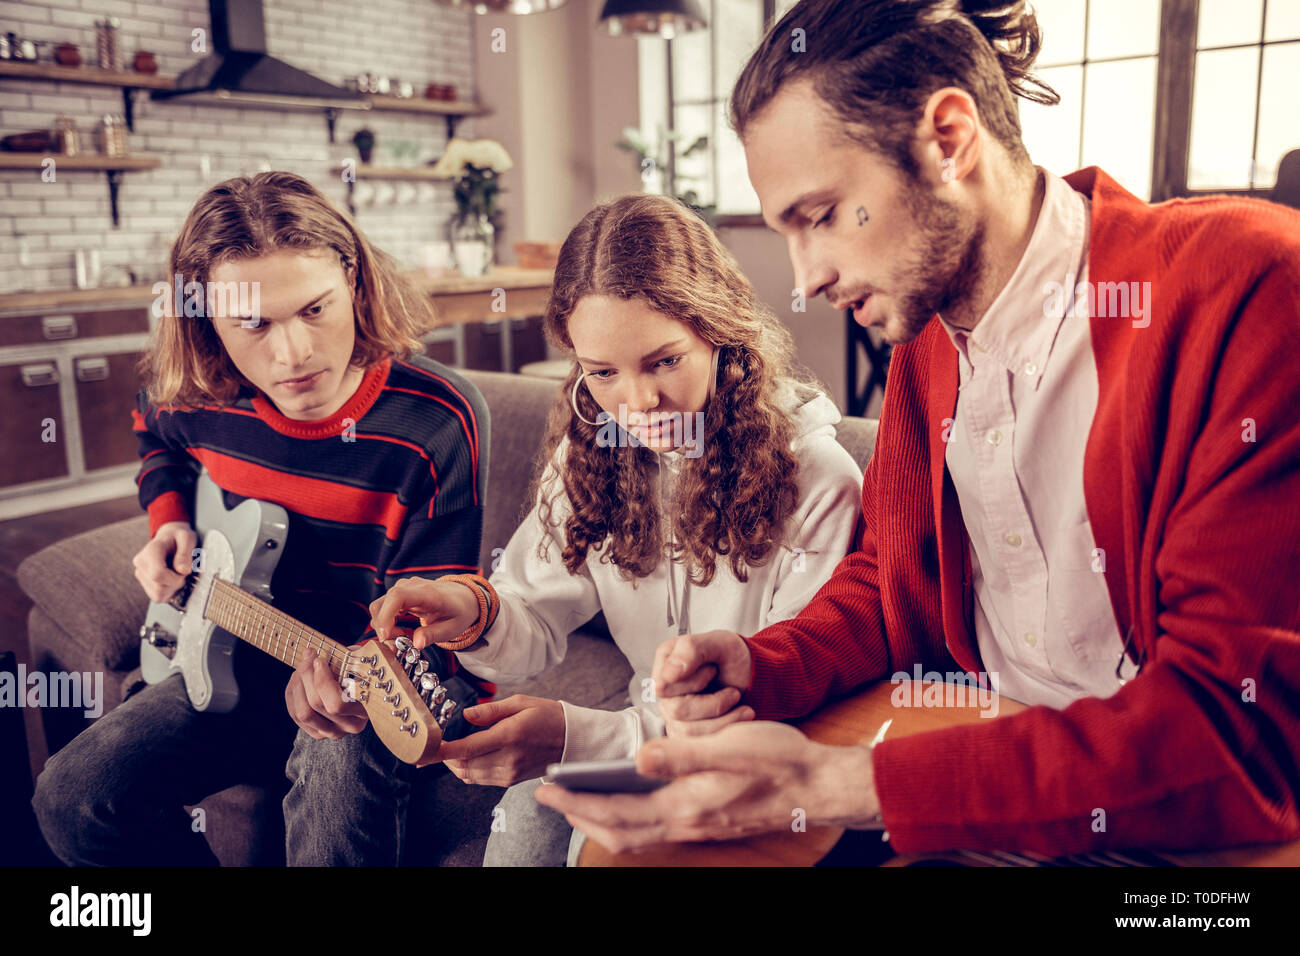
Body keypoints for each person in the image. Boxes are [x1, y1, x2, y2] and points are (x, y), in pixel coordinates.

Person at [536, 0, 1300, 860]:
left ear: (948, 137)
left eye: (820, 215)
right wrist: (764, 662)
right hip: (974, 764)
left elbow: (1236, 742)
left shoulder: (1250, 289)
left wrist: (830, 785)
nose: (808, 276)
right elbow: (891, 587)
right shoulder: (927, 346)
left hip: (1190, 844)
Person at [367, 193, 863, 865]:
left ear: (721, 330)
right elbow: (530, 624)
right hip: (641, 740)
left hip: (762, 766)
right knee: (523, 828)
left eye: (664, 360)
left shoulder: (818, 478)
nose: (638, 402)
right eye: (602, 372)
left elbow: (784, 701)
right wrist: (472, 612)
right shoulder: (589, 456)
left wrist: (579, 739)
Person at [32, 171, 490, 866]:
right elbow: (155, 434)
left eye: (314, 310)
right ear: (207, 322)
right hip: (231, 658)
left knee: (334, 794)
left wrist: (357, 684)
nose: (293, 354)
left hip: (368, 680)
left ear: (356, 283)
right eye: (253, 324)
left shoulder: (436, 418)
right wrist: (167, 520)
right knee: (71, 797)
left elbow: (435, 620)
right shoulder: (196, 391)